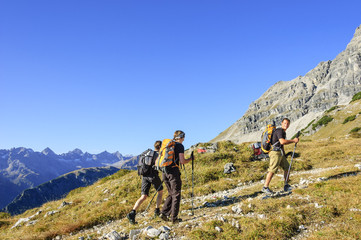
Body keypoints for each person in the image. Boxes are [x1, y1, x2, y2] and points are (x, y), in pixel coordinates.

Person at [159, 130, 192, 224]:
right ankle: (174, 218)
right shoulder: (179, 146)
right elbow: (182, 161)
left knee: (171, 193)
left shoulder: (168, 145)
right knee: (176, 194)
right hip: (173, 172)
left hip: (164, 172)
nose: (184, 139)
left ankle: (164, 213)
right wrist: (190, 159)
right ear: (181, 137)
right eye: (184, 137)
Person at [127, 140, 163, 224]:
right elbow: (158, 166)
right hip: (153, 176)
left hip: (144, 176)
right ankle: (157, 211)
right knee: (160, 192)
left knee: (143, 196)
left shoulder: (148, 153)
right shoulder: (157, 155)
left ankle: (132, 213)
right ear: (160, 147)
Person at [262, 118, 299, 194]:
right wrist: (293, 140)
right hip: (274, 153)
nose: (286, 125)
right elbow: (282, 142)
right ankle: (265, 187)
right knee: (272, 169)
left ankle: (286, 185)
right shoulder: (279, 131)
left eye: (288, 123)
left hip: (280, 152)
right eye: (285, 123)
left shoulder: (282, 132)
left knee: (287, 167)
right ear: (282, 123)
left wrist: (284, 155)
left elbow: (281, 145)